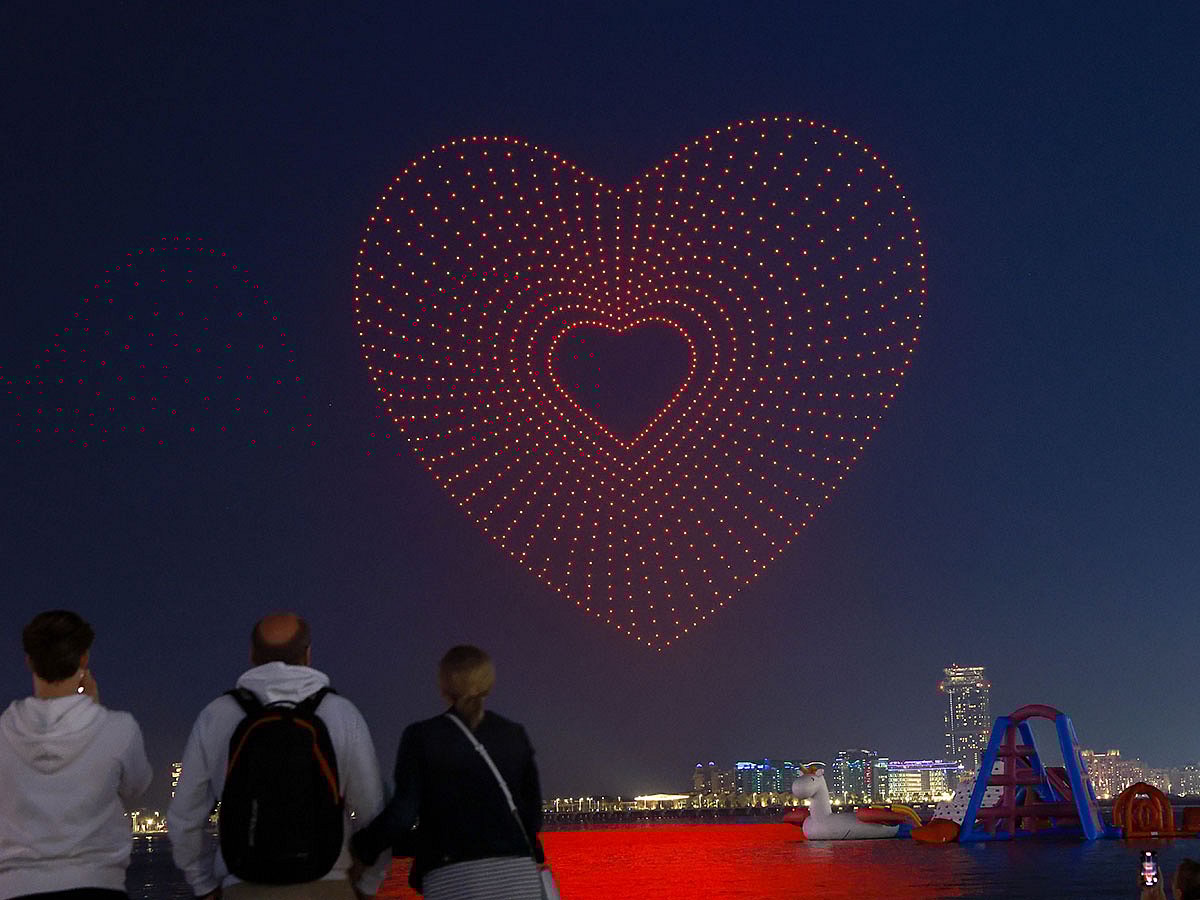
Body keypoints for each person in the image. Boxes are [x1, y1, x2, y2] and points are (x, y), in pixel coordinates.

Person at [167, 613, 389, 900]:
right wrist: (369, 883)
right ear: (308, 654)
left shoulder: (216, 715)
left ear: (252, 654)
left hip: (244, 885)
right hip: (327, 883)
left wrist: (203, 884)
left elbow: (185, 817)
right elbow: (372, 811)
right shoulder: (341, 713)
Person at [351, 645, 545, 900]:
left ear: (444, 686)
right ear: (488, 683)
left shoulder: (422, 737)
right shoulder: (514, 735)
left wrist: (361, 850)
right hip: (519, 877)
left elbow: (402, 815)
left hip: (454, 879)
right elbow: (532, 818)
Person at [0, 610, 152, 900]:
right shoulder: (118, 729)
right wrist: (94, 708)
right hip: (97, 882)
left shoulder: (3, 734)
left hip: (16, 887)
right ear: (84, 660)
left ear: (29, 662)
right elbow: (137, 786)